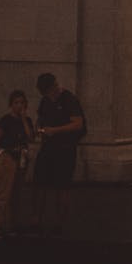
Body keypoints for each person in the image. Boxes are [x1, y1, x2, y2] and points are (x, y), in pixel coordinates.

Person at [31, 72, 85, 235]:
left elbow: (78, 124)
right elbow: (40, 118)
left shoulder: (69, 99)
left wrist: (55, 130)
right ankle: (36, 220)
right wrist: (39, 128)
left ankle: (59, 224)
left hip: (65, 149)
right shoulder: (45, 101)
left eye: (54, 89)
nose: (53, 93)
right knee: (40, 183)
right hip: (48, 147)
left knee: (62, 187)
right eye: (49, 92)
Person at [0, 90, 35, 239]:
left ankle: (10, 225)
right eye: (16, 102)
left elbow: (30, 137)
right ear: (11, 104)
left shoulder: (26, 120)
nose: (19, 105)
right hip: (7, 156)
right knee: (4, 192)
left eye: (22, 102)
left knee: (16, 192)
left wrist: (23, 120)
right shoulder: (5, 120)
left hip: (21, 157)